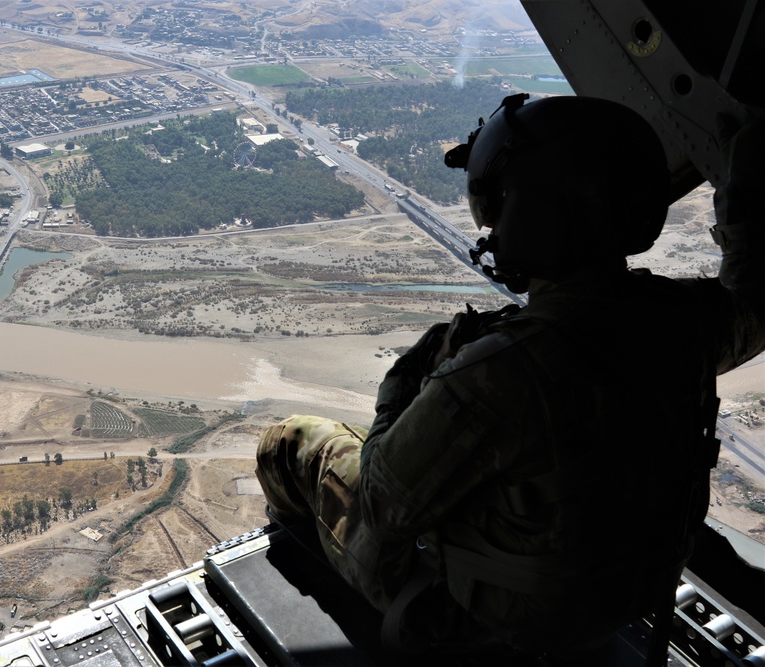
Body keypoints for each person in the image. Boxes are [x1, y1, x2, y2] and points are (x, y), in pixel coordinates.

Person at [255, 94, 765, 662]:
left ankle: (302, 565)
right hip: (630, 595)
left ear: (533, 213)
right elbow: (755, 301)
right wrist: (742, 194)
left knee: (289, 443)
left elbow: (381, 504)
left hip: (492, 623)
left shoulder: (499, 372)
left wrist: (410, 375)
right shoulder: (683, 320)